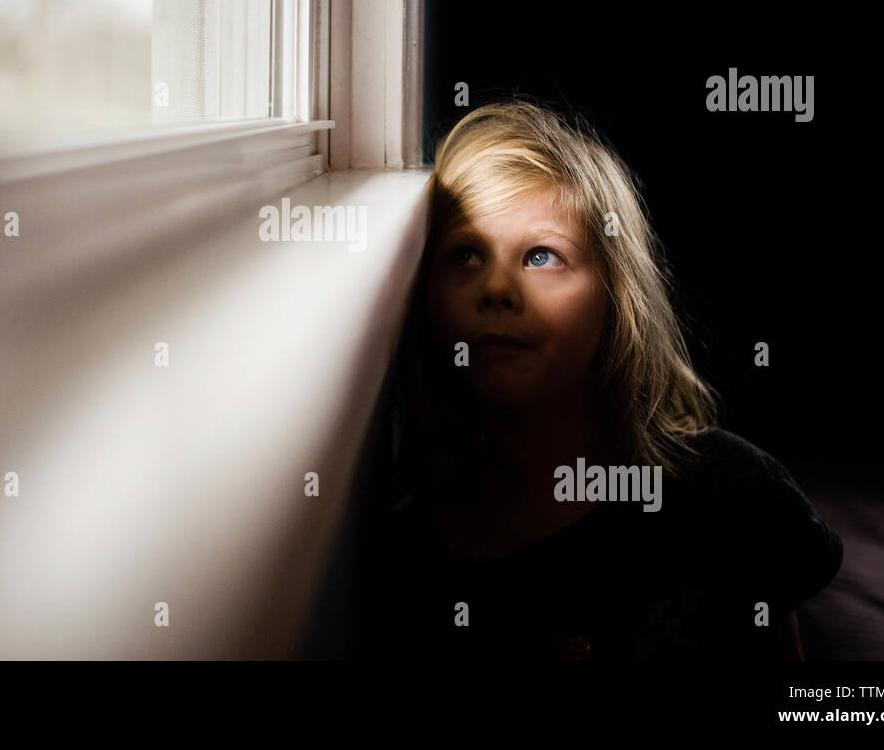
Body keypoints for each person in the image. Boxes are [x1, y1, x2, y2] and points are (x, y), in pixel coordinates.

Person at [352, 98, 842, 661]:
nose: (495, 289)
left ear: (616, 298)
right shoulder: (413, 554)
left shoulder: (732, 497)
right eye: (465, 255)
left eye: (541, 256)